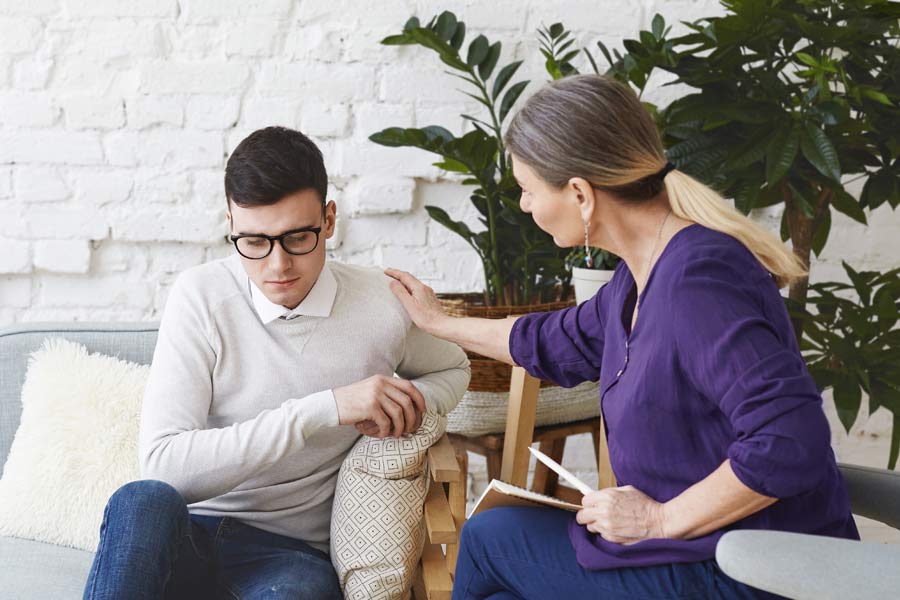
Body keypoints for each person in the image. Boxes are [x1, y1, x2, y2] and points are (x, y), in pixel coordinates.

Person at [385, 74, 859, 600]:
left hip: (755, 570)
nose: (523, 205)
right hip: (703, 552)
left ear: (581, 195)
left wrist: (660, 520)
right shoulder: (637, 279)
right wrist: (439, 322)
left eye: (527, 189)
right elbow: (549, 340)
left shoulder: (697, 284)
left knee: (493, 539)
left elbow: (791, 442)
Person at [82, 126, 471, 599]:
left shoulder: (380, 303)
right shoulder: (200, 296)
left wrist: (406, 402)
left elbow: (454, 368)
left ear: (329, 220)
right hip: (188, 534)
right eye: (254, 242)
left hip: (289, 554)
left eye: (297, 238)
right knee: (141, 500)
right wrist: (322, 409)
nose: (277, 265)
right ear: (230, 222)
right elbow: (165, 467)